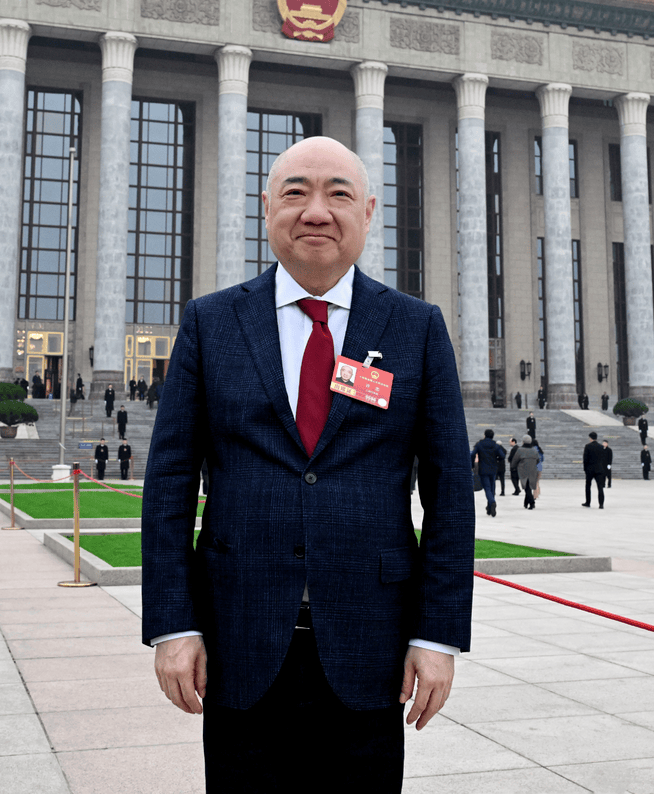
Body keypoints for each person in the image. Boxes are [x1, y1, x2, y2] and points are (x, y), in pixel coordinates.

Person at [141, 136, 475, 794]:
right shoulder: (212, 322)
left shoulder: (414, 328)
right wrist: (173, 624)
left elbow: (450, 494)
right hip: (238, 639)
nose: (316, 211)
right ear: (267, 208)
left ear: (368, 212)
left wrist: (438, 637)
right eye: (295, 192)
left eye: (338, 194)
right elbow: (170, 483)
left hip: (371, 645)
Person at [471, 429, 506, 516]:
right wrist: (497, 460)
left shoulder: (480, 444)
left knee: (487, 487)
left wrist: (472, 465)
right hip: (493, 469)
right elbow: (502, 456)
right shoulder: (495, 445)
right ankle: (490, 507)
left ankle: (492, 502)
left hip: (483, 469)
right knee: (492, 487)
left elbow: (472, 454)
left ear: (485, 435)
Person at [582, 431, 606, 509]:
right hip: (599, 469)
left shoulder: (587, 446)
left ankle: (588, 502)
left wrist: (585, 469)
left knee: (588, 486)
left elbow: (585, 459)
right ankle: (601, 504)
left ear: (590, 438)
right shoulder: (601, 447)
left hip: (590, 469)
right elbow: (603, 459)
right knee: (600, 487)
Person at [516, 435, 539, 510]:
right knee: (528, 487)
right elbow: (538, 460)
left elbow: (515, 460)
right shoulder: (534, 450)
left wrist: (513, 467)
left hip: (523, 471)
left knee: (526, 487)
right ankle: (526, 502)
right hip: (532, 470)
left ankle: (532, 503)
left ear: (523, 442)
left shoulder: (520, 450)